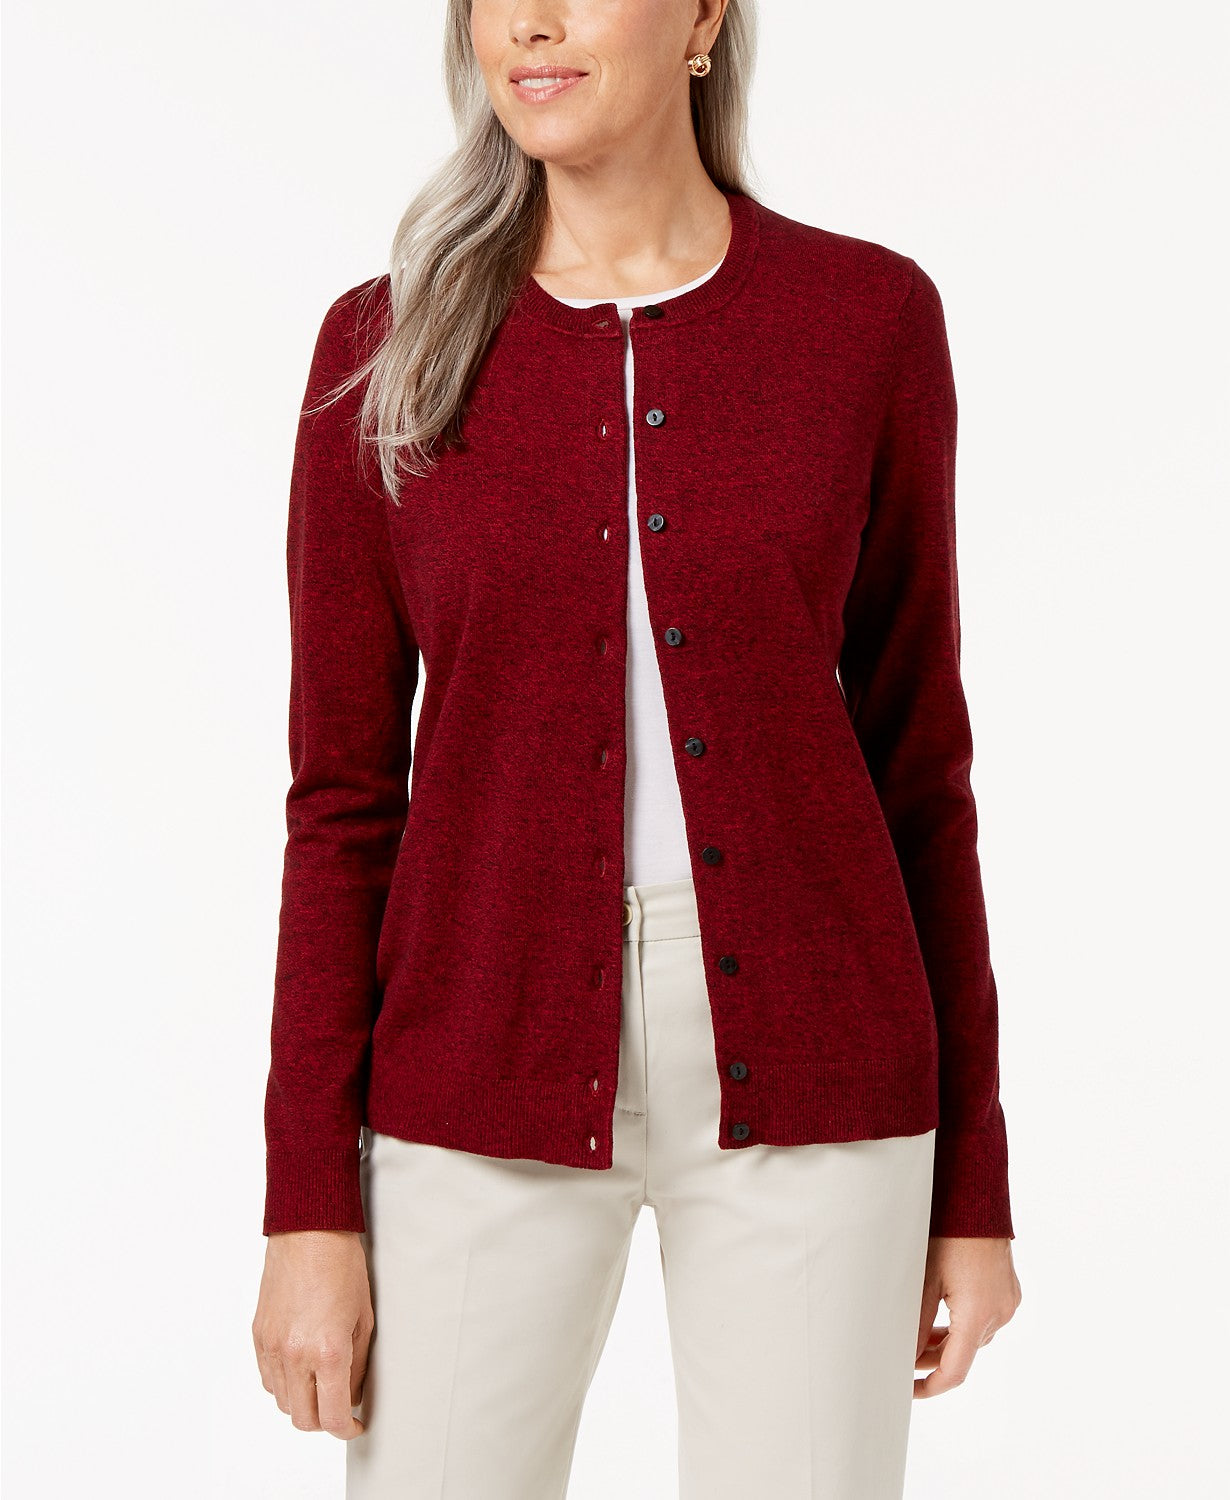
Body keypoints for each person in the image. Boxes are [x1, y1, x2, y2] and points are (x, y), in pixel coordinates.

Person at [251, 2, 1023, 1495]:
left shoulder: (863, 319)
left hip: (818, 1059)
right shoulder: (384, 343)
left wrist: (972, 1185)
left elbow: (919, 765)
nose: (530, 22)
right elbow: (339, 806)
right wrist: (308, 1206)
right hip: (476, 1047)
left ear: (704, 16)